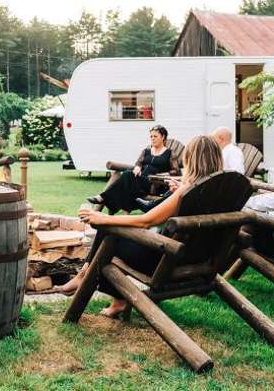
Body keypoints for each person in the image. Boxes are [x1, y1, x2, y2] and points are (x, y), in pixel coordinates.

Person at [60, 135, 224, 317]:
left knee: (109, 233)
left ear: (191, 160)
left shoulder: (187, 192)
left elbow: (145, 221)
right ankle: (94, 281)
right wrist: (180, 190)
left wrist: (100, 218)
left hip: (163, 261)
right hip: (198, 261)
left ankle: (97, 284)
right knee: (111, 231)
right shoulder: (222, 190)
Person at [87, 125, 173, 214]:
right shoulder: (146, 151)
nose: (152, 139)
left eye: (155, 136)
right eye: (151, 136)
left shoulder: (168, 153)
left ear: (163, 137)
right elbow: (138, 163)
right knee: (128, 182)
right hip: (139, 180)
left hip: (153, 184)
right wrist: (137, 167)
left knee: (127, 175)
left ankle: (105, 199)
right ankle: (110, 204)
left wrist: (164, 174)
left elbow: (176, 171)